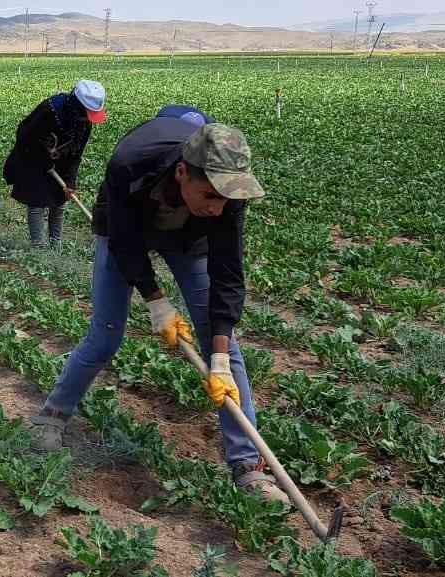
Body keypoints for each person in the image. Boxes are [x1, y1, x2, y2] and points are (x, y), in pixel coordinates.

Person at [28, 115, 288, 504]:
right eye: (211, 196)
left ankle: (248, 466)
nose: (219, 208)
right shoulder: (130, 166)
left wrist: (216, 355)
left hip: (189, 241)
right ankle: (52, 413)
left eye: (226, 200)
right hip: (126, 230)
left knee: (225, 350)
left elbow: (227, 275)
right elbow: (126, 242)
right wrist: (156, 300)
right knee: (106, 333)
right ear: (183, 172)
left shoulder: (227, 197)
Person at [2, 80, 107, 248]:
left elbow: (76, 154)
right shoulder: (50, 110)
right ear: (77, 104)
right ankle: (39, 248)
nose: (87, 118)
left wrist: (70, 182)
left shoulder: (84, 123)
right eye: (86, 112)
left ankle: (55, 246)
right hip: (32, 157)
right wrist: (43, 159)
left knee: (59, 201)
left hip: (61, 163)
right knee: (37, 201)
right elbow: (23, 134)